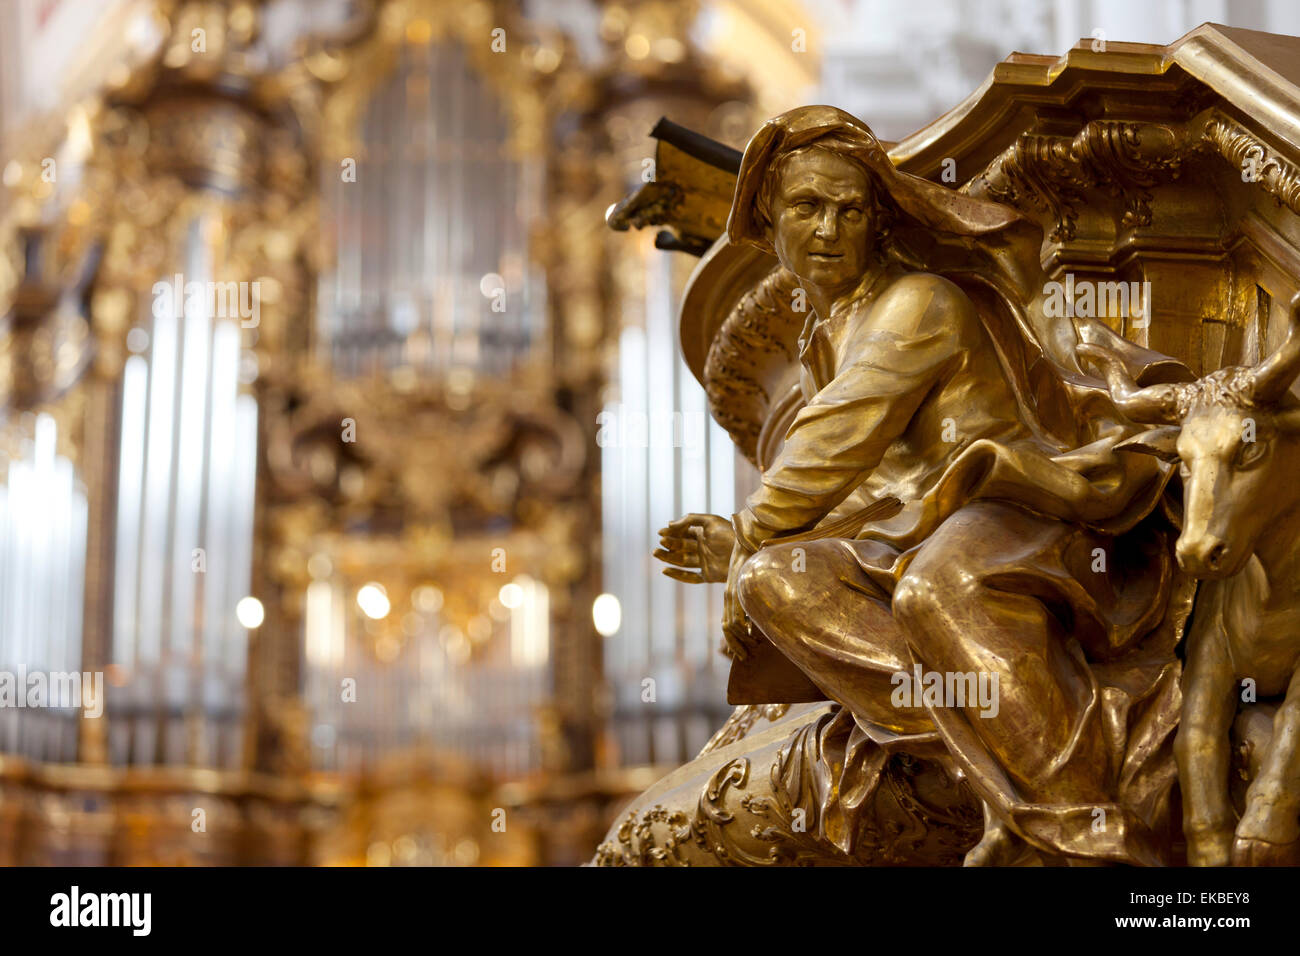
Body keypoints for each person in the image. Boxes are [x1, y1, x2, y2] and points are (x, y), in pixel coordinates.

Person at [649, 106, 1185, 866]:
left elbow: (838, 437)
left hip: (1015, 502)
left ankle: (1085, 825)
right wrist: (750, 555)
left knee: (936, 589)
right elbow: (867, 481)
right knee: (777, 582)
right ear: (770, 221)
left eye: (849, 209)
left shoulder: (916, 303)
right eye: (807, 208)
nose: (829, 230)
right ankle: (993, 744)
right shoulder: (828, 331)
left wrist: (746, 529)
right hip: (916, 521)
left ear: (877, 221)